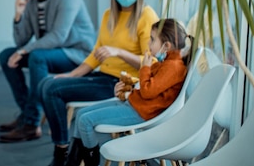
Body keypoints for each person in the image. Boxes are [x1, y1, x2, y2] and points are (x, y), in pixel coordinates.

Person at [39, 0, 158, 166]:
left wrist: (119, 52)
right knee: (46, 83)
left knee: (51, 90)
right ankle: (67, 153)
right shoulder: (108, 16)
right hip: (103, 76)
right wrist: (73, 74)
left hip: (122, 84)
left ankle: (62, 154)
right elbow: (97, 54)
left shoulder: (146, 16)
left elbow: (152, 63)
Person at [63, 18, 192, 166]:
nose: (149, 43)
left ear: (166, 46)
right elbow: (150, 86)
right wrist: (129, 87)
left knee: (86, 121)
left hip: (141, 113)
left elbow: (148, 91)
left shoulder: (173, 67)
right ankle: (73, 161)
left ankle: (89, 162)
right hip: (135, 105)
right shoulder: (167, 63)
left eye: (152, 39)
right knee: (81, 114)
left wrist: (145, 67)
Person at [0, 0, 96, 143]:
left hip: (76, 54)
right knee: (6, 56)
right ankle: (27, 113)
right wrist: (18, 14)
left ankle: (31, 123)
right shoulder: (32, 1)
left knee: (36, 56)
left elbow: (59, 36)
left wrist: (24, 51)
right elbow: (21, 41)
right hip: (49, 52)